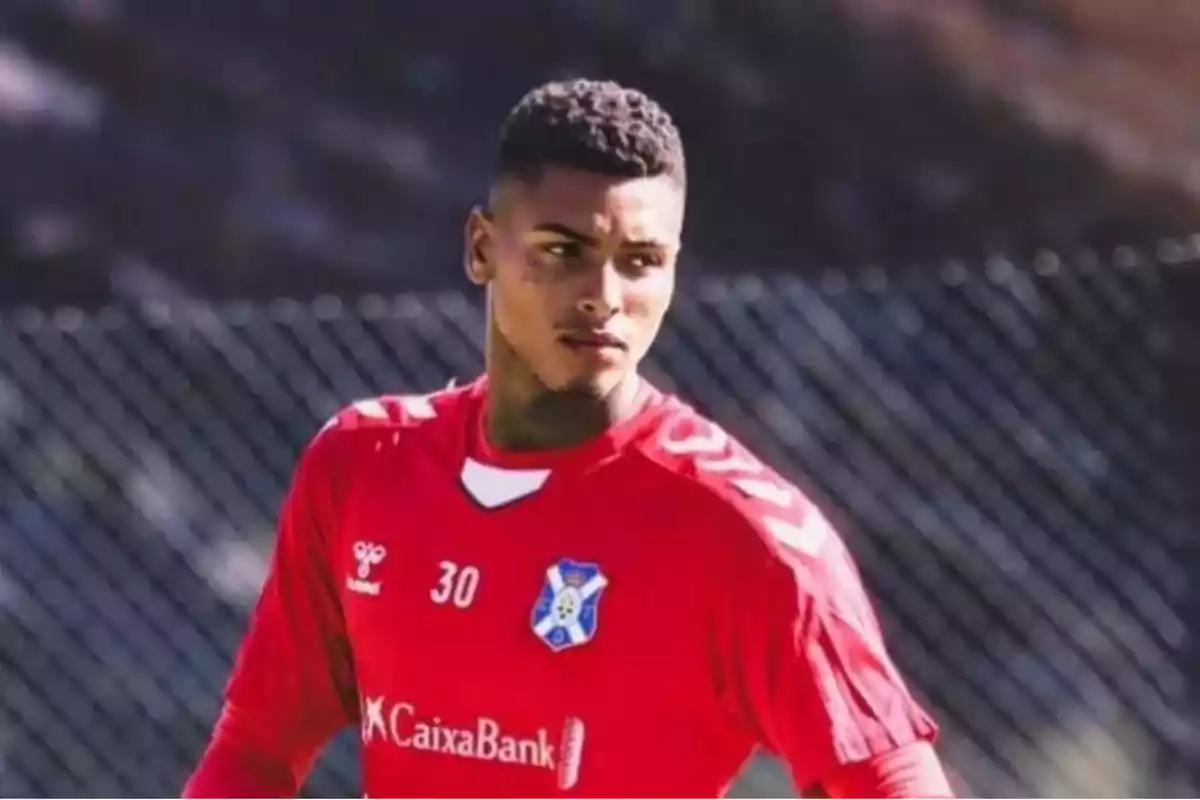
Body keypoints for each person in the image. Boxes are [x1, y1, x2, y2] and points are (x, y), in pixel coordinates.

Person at [183, 78, 952, 798]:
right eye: (563, 251)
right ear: (482, 248)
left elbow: (890, 781)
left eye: (641, 263)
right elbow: (256, 749)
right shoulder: (360, 467)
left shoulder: (746, 536)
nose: (604, 298)